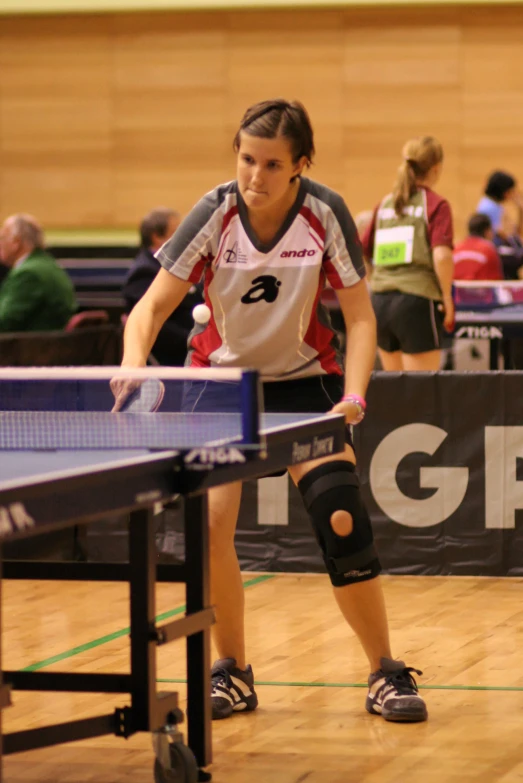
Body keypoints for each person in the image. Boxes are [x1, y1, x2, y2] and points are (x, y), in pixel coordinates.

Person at [113, 99, 428, 724]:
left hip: (306, 382)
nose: (254, 177)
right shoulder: (214, 212)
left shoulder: (324, 213)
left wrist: (355, 393)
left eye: (271, 164)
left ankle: (384, 670)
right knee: (210, 526)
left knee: (340, 516)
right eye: (246, 159)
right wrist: (133, 359)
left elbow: (361, 317)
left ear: (300, 166)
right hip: (219, 388)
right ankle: (231, 669)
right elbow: (148, 310)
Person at [361, 136, 454, 371]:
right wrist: (447, 299)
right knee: (420, 393)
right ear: (436, 168)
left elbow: (361, 251)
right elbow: (442, 256)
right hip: (416, 302)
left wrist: (376, 280)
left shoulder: (385, 205)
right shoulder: (435, 204)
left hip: (380, 302)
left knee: (397, 393)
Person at [123, 207, 203, 365]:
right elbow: (157, 327)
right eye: (178, 231)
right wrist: (195, 340)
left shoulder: (180, 264)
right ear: (157, 237)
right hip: (175, 359)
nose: (185, 236)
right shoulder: (144, 272)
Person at [0, 214, 76, 332]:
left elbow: (4, 322)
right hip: (54, 345)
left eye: (2, 238)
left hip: (32, 347)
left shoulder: (28, 274)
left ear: (16, 242)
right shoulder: (49, 265)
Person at [453, 213, 503, 281]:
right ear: (487, 231)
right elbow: (496, 280)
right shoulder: (489, 249)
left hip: (457, 291)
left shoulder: (456, 249)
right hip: (481, 291)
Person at [477, 170, 523, 241]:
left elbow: (514, 233)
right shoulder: (489, 207)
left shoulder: (494, 205)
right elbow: (510, 236)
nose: (512, 194)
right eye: (510, 191)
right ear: (504, 192)